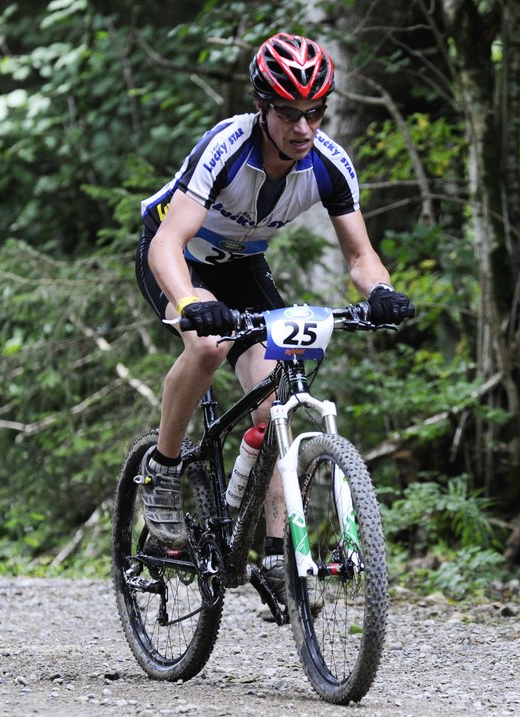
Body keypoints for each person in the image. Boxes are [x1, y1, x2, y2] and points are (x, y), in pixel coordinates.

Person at [134, 32, 415, 600]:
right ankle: (163, 470)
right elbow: (167, 243)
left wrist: (382, 290)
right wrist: (190, 303)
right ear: (262, 107)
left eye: (315, 112)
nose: (303, 127)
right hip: (177, 259)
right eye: (289, 113)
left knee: (276, 400)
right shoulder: (226, 147)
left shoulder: (330, 164)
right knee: (207, 346)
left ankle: (271, 550)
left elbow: (360, 257)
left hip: (241, 268)